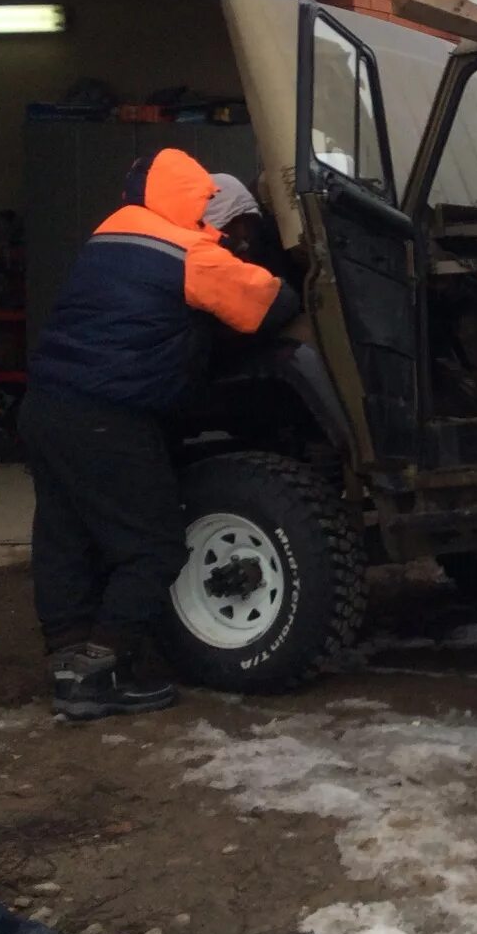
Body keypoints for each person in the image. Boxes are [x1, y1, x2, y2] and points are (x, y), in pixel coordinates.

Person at [19, 149, 300, 721]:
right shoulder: (193, 255)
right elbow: (273, 305)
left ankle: (68, 663)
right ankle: (100, 670)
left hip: (44, 408)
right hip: (108, 419)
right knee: (154, 545)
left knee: (65, 537)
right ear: (200, 200)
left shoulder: (111, 233)